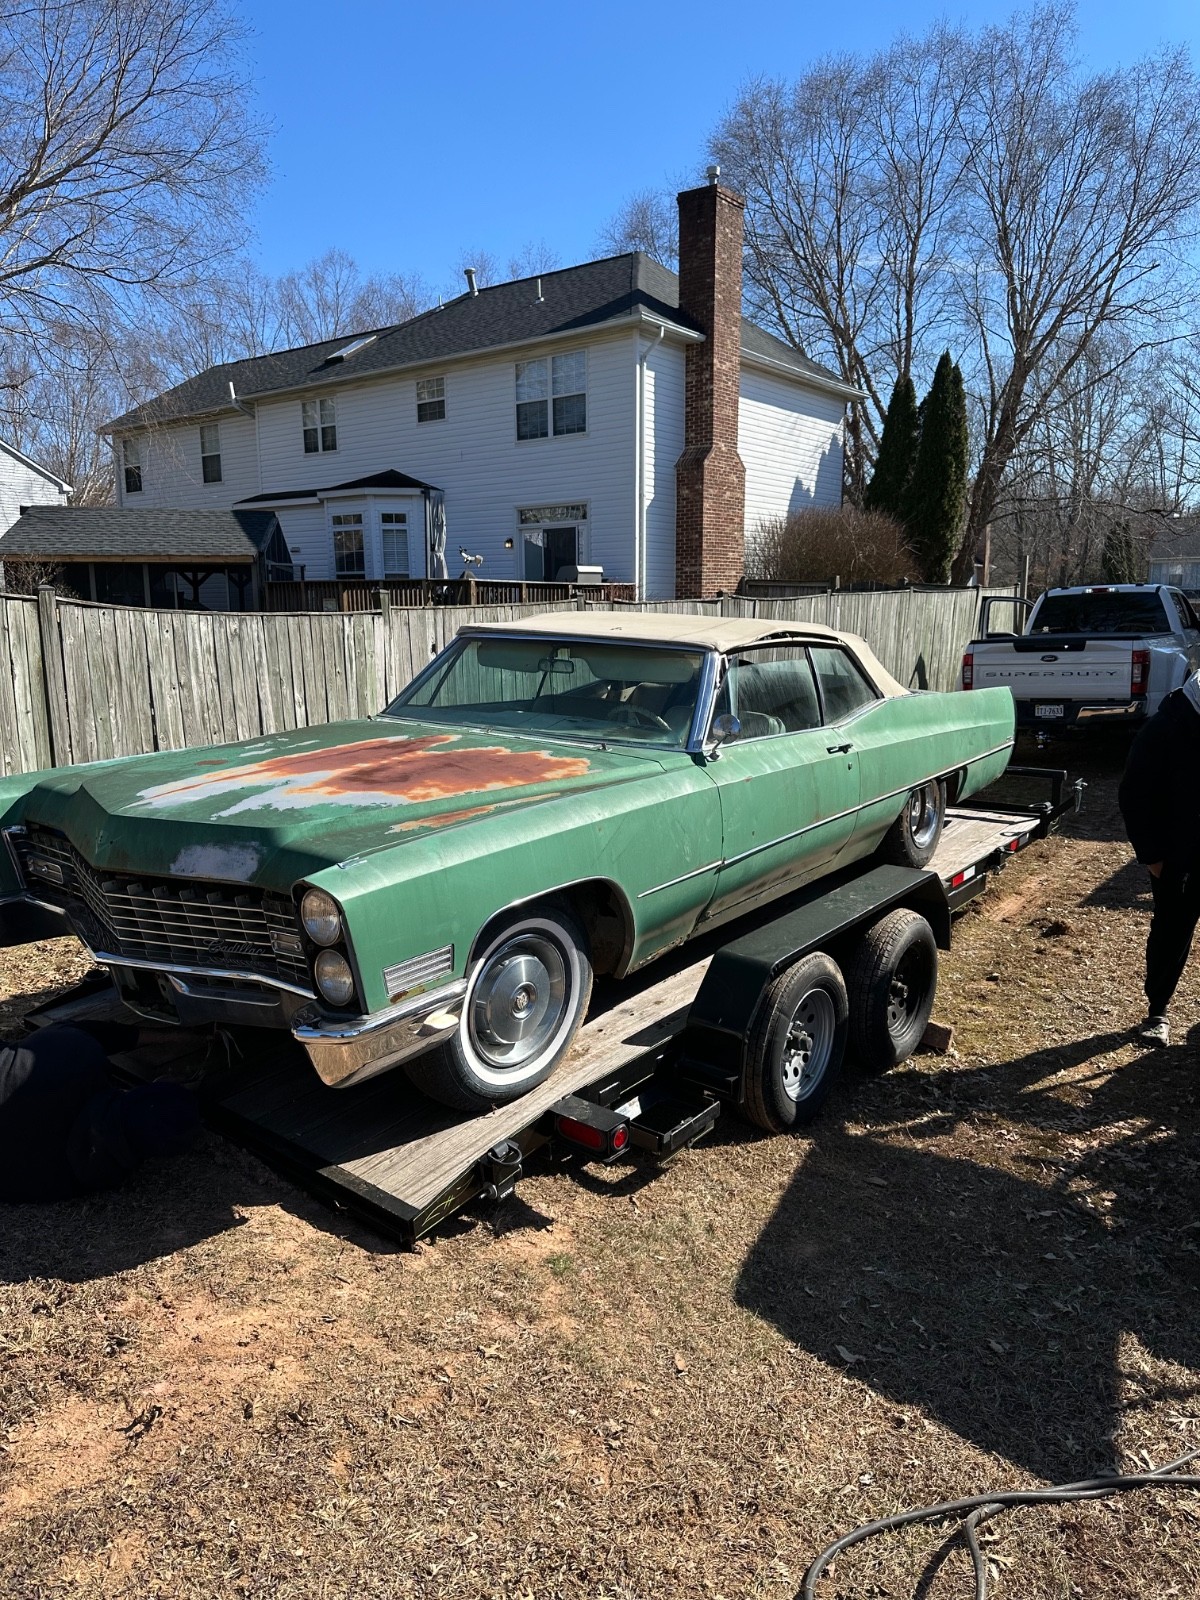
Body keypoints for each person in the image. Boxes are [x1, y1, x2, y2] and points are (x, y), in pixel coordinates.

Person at [0, 1025, 200, 1202]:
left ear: (133, 1093)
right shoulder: (73, 1184)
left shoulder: (74, 1058)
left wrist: (168, 1036)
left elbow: (87, 1032)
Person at [1117, 671, 1200, 1046]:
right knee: (1171, 933)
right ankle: (1158, 1011)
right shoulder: (1165, 727)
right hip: (1178, 857)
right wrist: (1152, 855)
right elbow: (1134, 794)